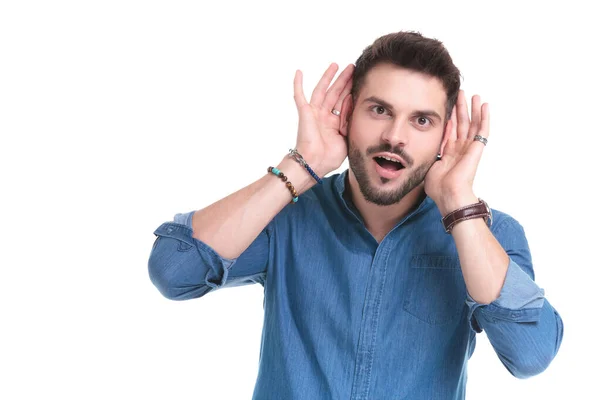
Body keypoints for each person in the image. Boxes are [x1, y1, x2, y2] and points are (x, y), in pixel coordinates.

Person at [148, 31, 563, 399]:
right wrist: (299, 165)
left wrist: (458, 202)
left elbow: (530, 355)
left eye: (421, 120)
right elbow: (173, 270)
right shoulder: (287, 215)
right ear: (347, 115)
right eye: (379, 110)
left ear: (444, 136)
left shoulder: (488, 235)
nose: (394, 136)